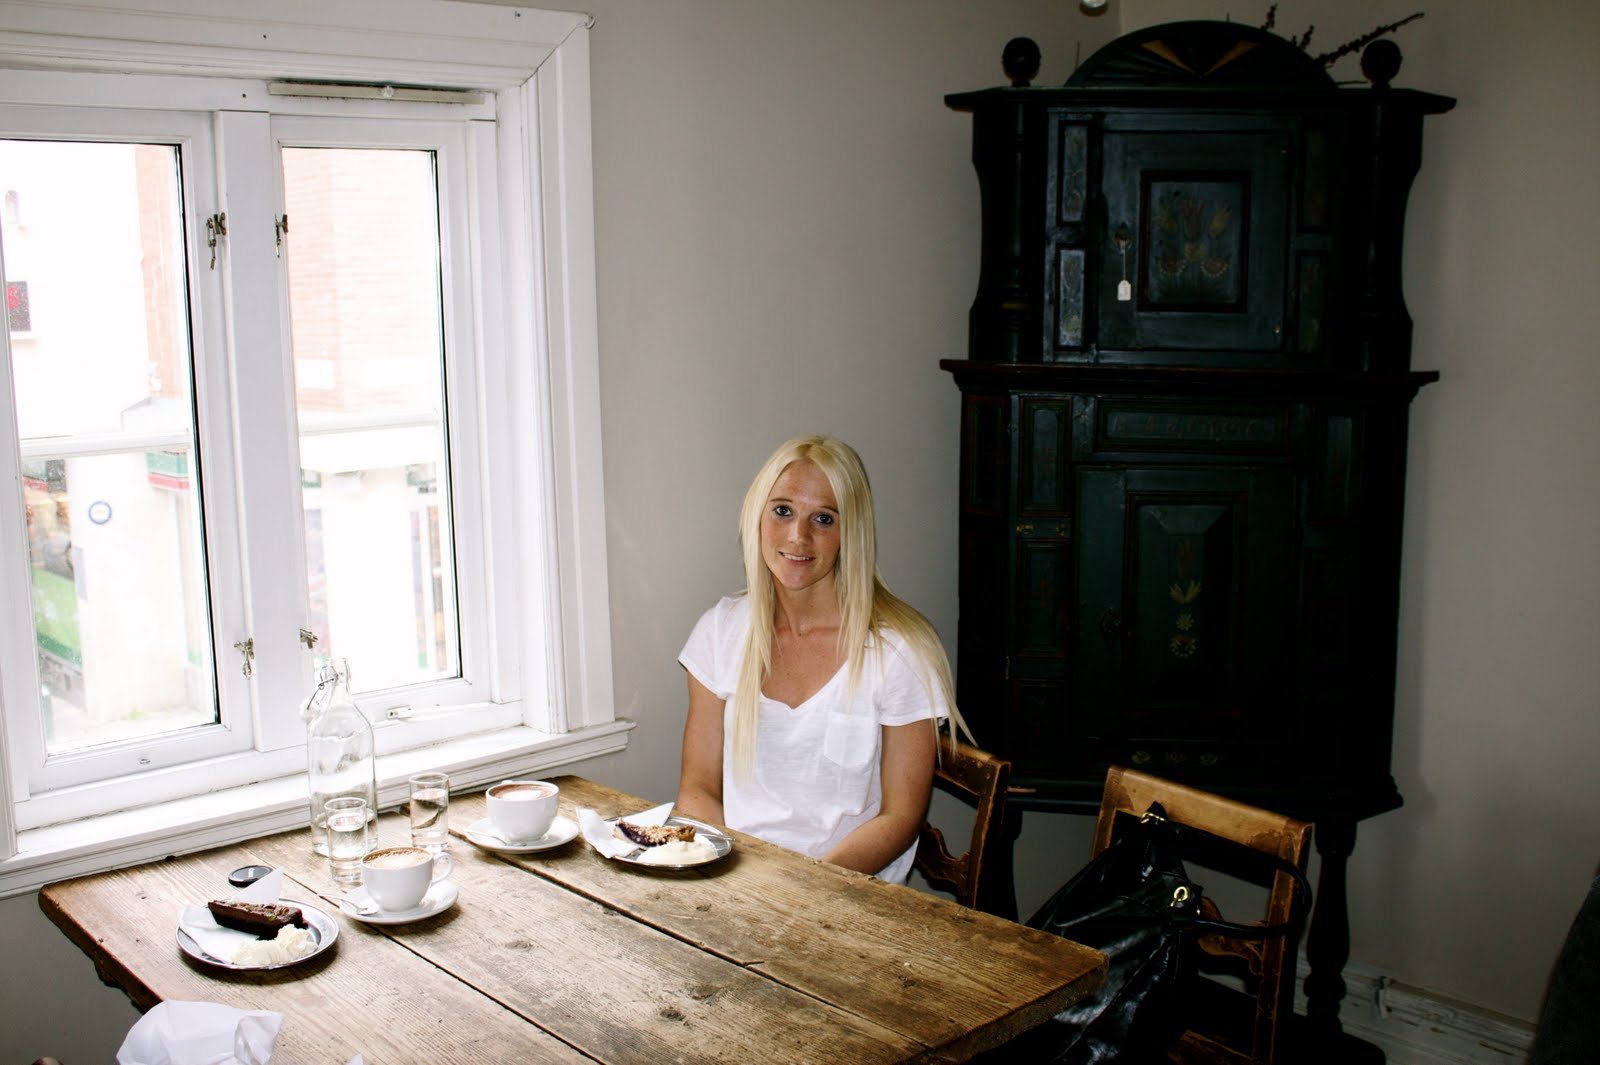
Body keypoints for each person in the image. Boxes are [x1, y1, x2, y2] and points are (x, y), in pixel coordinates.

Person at [675, 434, 969, 884]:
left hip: (848, 894)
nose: (799, 536)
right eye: (783, 510)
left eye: (824, 518)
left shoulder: (900, 651)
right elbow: (697, 789)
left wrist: (804, 890)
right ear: (757, 515)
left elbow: (901, 817)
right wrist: (737, 879)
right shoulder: (719, 632)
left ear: (851, 533)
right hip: (739, 882)